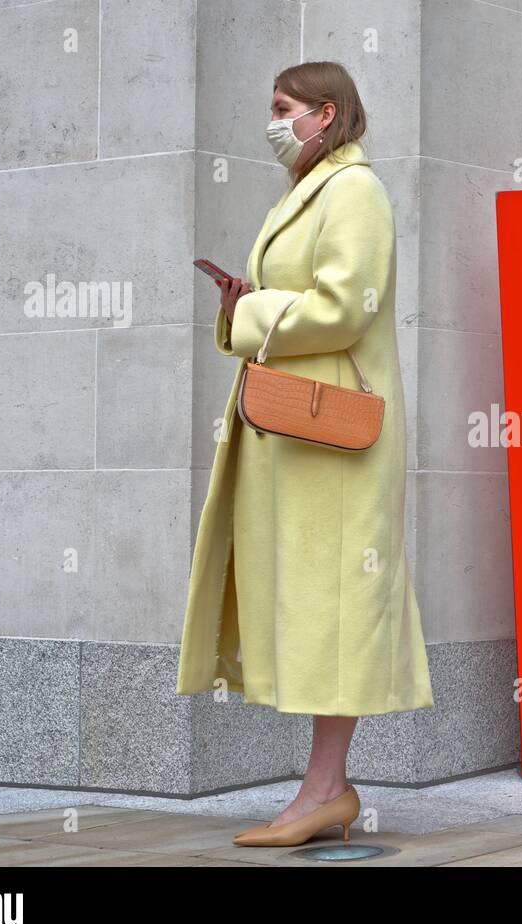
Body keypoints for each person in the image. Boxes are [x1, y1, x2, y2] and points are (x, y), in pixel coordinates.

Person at [175, 61, 434, 849]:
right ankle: (324, 791)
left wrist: (254, 310)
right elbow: (302, 304)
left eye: (283, 107)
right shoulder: (306, 191)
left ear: (327, 113)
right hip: (300, 439)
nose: (273, 120)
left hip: (335, 444)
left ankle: (326, 792)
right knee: (314, 608)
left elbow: (343, 308)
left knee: (339, 609)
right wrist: (242, 306)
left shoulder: (356, 191)